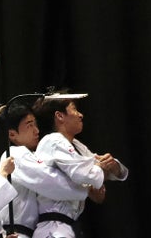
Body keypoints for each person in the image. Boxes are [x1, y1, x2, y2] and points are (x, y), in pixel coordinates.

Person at [0, 98, 105, 237]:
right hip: (16, 231)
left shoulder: (34, 155)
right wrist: (86, 187)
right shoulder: (14, 155)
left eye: (36, 124)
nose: (36, 130)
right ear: (12, 134)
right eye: (29, 125)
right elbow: (51, 182)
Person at [31, 91, 129, 238]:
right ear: (60, 116)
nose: (80, 115)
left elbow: (106, 172)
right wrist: (96, 174)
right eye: (74, 110)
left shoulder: (77, 146)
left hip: (68, 226)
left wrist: (113, 166)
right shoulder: (53, 141)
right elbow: (83, 173)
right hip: (54, 228)